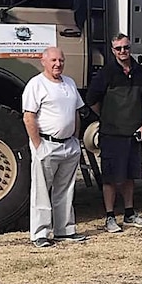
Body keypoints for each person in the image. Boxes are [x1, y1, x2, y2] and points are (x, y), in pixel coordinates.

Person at [85, 33, 142, 233]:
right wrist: (107, 117)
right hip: (111, 134)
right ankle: (109, 217)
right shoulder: (106, 73)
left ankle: (130, 213)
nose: (123, 52)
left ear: (130, 48)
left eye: (126, 47)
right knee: (111, 177)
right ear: (113, 50)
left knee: (129, 175)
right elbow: (91, 100)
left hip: (133, 133)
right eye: (118, 48)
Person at [22, 47, 87, 248]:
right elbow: (28, 116)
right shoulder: (36, 84)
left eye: (61, 60)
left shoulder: (69, 83)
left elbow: (76, 112)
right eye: (53, 60)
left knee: (66, 190)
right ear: (43, 61)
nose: (57, 64)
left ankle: (65, 230)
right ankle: (40, 233)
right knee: (42, 191)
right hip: (46, 144)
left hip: (69, 145)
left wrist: (75, 139)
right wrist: (38, 145)